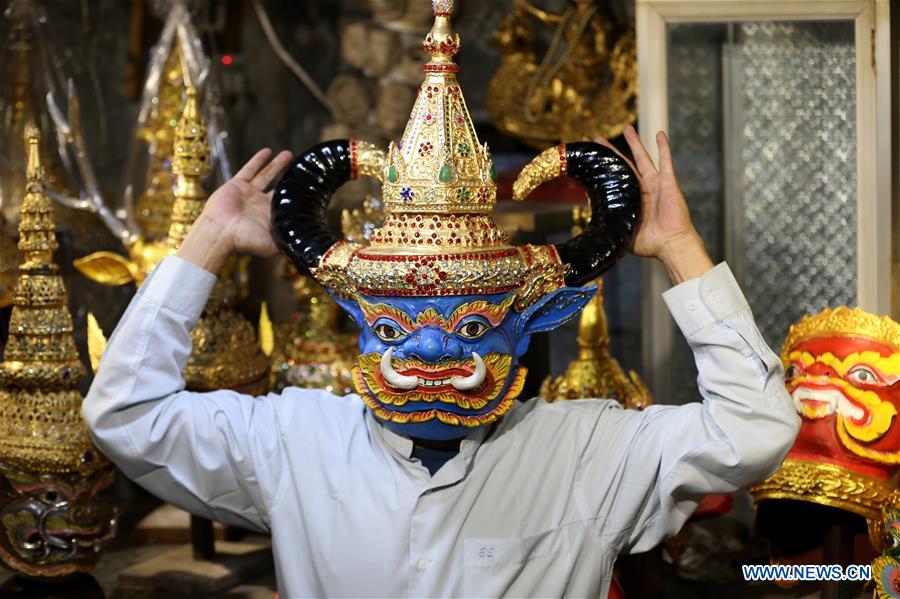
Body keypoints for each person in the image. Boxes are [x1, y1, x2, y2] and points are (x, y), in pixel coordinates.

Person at [83, 123, 800, 597]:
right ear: (359, 325)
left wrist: (679, 248)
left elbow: (756, 428)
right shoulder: (293, 441)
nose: (430, 348)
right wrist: (209, 240)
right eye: (396, 325)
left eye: (473, 323)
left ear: (527, 327)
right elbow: (124, 413)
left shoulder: (590, 449)